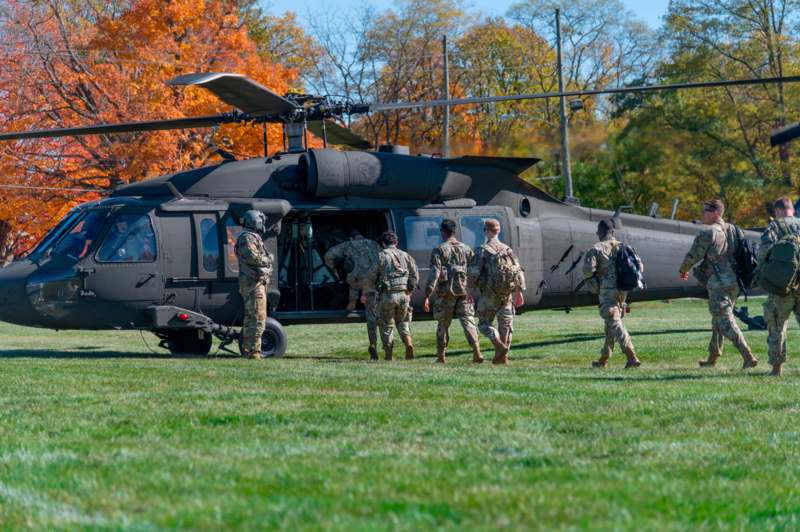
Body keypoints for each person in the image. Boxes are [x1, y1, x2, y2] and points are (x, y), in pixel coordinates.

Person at [679, 199, 758, 369]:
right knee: (717, 320)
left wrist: (683, 269)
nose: (702, 214)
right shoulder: (734, 229)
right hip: (735, 282)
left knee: (724, 320)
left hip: (718, 283)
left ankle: (748, 355)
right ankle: (713, 357)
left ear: (716, 213)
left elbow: (694, 255)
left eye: (705, 211)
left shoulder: (709, 232)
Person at [582, 218, 642, 368]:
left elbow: (588, 271)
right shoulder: (625, 247)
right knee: (610, 322)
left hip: (607, 290)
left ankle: (631, 355)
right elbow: (639, 267)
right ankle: (604, 358)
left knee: (614, 321)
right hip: (623, 290)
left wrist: (596, 287)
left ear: (600, 232)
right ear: (613, 232)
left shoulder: (596, 248)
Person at [423, 219, 483, 364]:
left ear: (443, 232)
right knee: (468, 321)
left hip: (446, 292)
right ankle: (477, 351)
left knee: (443, 323)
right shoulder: (466, 248)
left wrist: (427, 294)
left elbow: (434, 273)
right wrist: (471, 288)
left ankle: (441, 356)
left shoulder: (439, 249)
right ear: (454, 232)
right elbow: (474, 270)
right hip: (464, 292)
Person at [469, 219, 525, 365]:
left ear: (486, 231)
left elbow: (474, 273)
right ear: (498, 231)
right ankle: (503, 358)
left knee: (483, 323)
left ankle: (499, 346)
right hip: (507, 295)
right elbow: (519, 272)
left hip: (489, 294)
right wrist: (519, 293)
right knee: (506, 326)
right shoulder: (508, 250)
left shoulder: (482, 249)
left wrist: (469, 292)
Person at [323, 229, 382, 359]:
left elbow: (328, 255)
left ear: (351, 238)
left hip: (355, 283)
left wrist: (335, 272)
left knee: (352, 291)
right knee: (375, 315)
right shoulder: (374, 244)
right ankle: (381, 345)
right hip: (373, 284)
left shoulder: (348, 245)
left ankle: (352, 305)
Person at [760, 197, 800, 376]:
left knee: (777, 324)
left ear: (777, 211)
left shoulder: (774, 227)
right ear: (792, 209)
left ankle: (777, 368)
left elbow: (764, 253)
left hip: (782, 286)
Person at [373, 230, 418, 361]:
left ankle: (388, 355)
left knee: (386, 325)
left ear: (382, 243)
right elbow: (415, 274)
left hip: (388, 295)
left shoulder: (381, 255)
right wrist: (410, 290)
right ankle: (408, 343)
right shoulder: (406, 255)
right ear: (396, 242)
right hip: (404, 295)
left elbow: (372, 275)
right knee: (403, 322)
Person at [235, 210, 274, 359]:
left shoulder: (252, 237)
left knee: (254, 317)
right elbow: (252, 257)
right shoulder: (247, 238)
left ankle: (250, 350)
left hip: (256, 284)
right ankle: (253, 352)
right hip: (253, 285)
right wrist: (268, 259)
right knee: (257, 318)